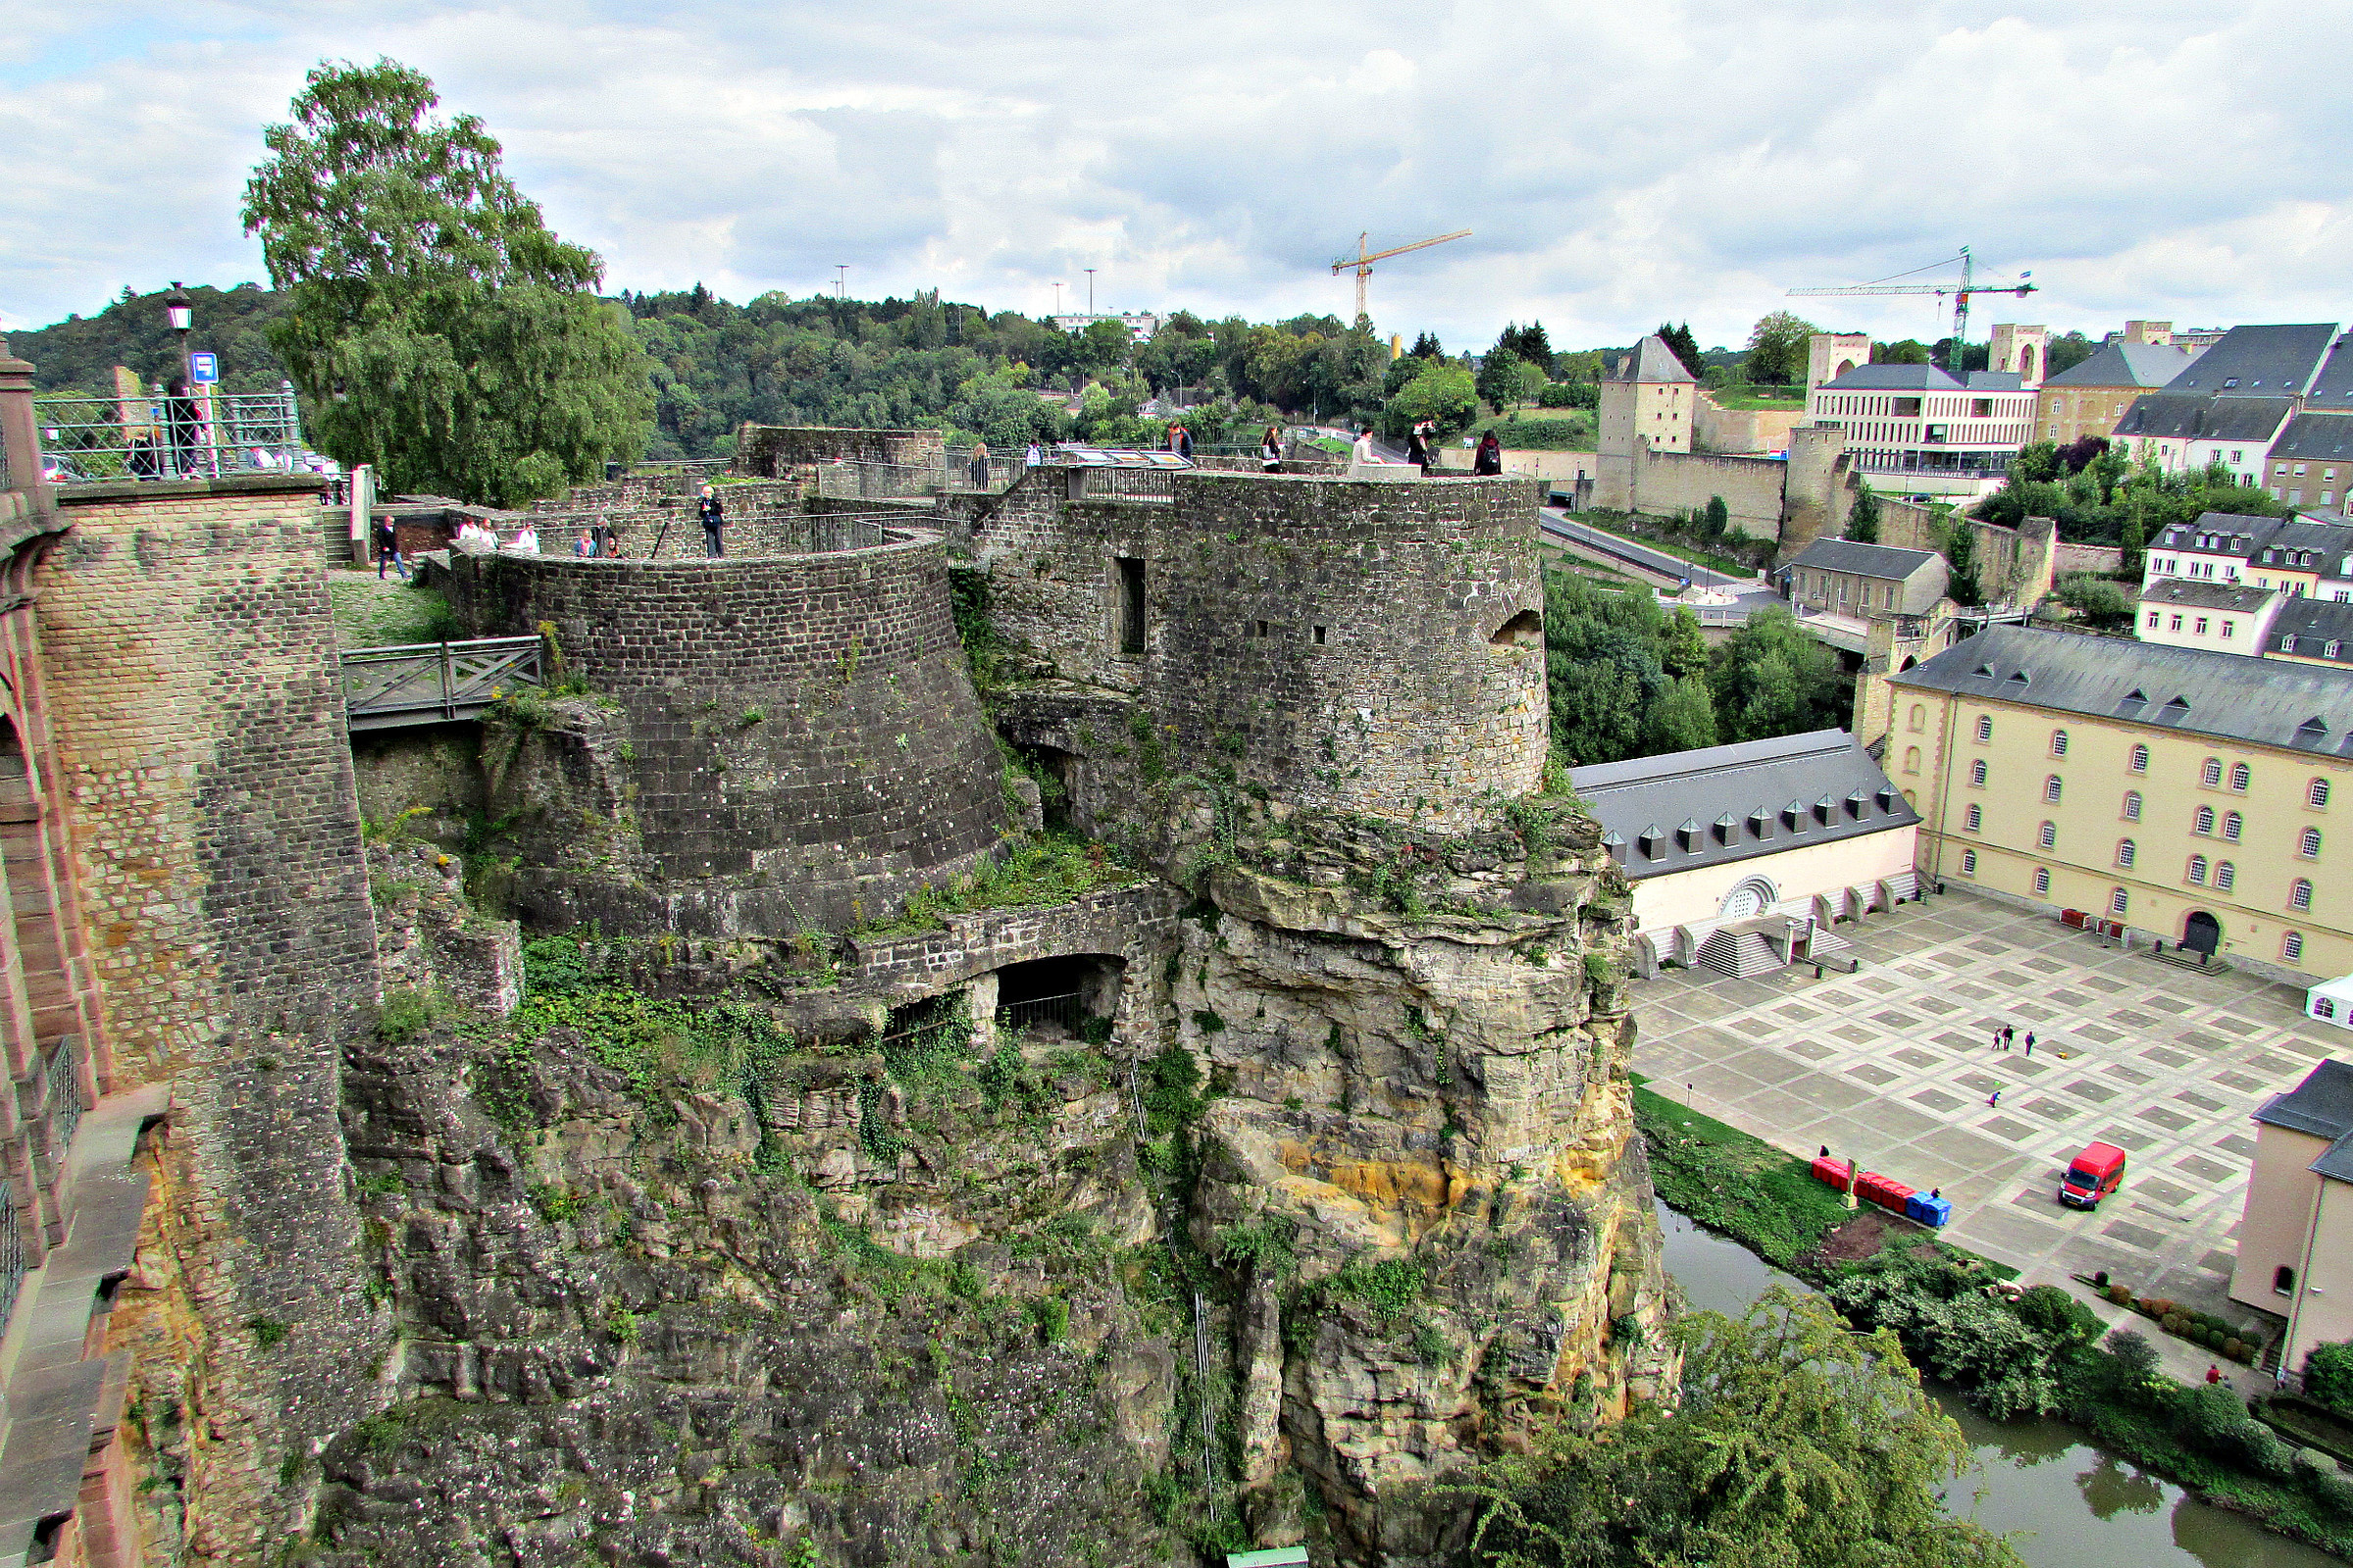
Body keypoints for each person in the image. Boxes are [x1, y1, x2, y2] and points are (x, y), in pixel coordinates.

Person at [373, 517, 408, 582]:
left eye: (392, 522)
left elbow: (395, 539)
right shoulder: (381, 529)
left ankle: (404, 575)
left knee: (399, 561)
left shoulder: (393, 529)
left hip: (394, 548)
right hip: (385, 548)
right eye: (389, 521)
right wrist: (384, 547)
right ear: (385, 521)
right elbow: (381, 539)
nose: (390, 523)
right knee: (383, 562)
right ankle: (381, 575)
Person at [698, 484, 725, 557]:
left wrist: (711, 509)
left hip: (716, 522)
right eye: (705, 493)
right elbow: (700, 514)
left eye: (708, 493)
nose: (707, 494)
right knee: (709, 539)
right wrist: (703, 510)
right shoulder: (703, 502)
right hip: (707, 522)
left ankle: (720, 554)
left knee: (718, 538)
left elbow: (720, 510)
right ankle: (711, 555)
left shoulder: (715, 501)